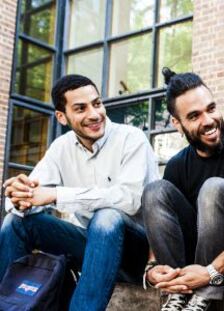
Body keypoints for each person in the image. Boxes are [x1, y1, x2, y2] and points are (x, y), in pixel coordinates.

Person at [0, 74, 159, 311]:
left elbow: (129, 199)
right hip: (92, 249)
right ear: (62, 117)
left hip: (134, 253)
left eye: (97, 103)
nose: (94, 114)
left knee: (107, 216)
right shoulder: (61, 147)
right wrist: (19, 196)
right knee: (16, 223)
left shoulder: (131, 138)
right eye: (81, 108)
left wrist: (56, 195)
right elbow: (30, 197)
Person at [141, 68, 224, 311]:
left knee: (214, 188)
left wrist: (211, 273)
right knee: (154, 190)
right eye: (194, 116)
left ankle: (203, 294)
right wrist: (152, 266)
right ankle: (178, 293)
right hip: (195, 271)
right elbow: (163, 222)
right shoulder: (177, 165)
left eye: (211, 109)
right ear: (177, 124)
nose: (208, 120)